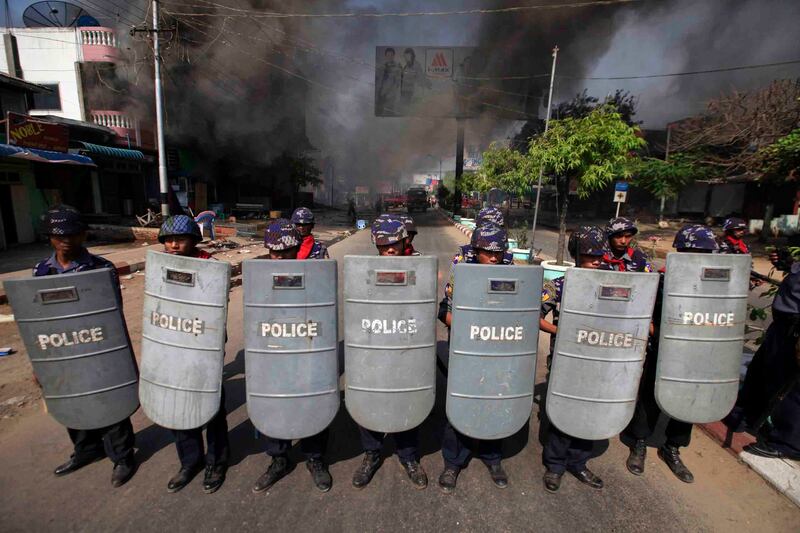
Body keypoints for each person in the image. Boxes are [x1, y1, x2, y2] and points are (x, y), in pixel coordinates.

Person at [34, 205, 136, 488]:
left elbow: (113, 311)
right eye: (59, 234)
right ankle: (86, 449)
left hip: (99, 342)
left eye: (72, 233)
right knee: (72, 399)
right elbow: (38, 319)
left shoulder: (101, 268)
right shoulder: (41, 270)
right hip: (62, 348)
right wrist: (40, 360)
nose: (66, 239)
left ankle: (123, 456)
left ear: (83, 235)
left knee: (111, 399)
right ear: (50, 237)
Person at [622, 224, 717, 484]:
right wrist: (654, 331)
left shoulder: (716, 282)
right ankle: (639, 442)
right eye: (691, 251)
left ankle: (672, 447)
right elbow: (645, 309)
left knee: (688, 399)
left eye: (704, 252)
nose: (698, 256)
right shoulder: (664, 279)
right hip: (664, 347)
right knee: (651, 396)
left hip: (696, 351)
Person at [253, 219, 333, 493]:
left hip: (306, 346)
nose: (278, 258)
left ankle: (315, 458)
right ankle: (278, 458)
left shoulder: (314, 271)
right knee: (275, 402)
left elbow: (325, 309)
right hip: (274, 348)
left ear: (297, 249)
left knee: (310, 400)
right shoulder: (260, 273)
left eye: (285, 253)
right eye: (273, 253)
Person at [351, 217, 428, 489]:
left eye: (394, 244)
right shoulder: (365, 269)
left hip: (407, 346)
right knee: (371, 398)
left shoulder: (420, 265)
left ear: (404, 239)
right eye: (383, 246)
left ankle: (408, 456)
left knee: (406, 400)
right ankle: (372, 453)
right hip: (376, 345)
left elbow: (426, 308)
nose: (389, 251)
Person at [157, 215, 230, 494]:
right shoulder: (159, 266)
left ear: (194, 240)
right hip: (170, 346)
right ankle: (190, 462)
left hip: (203, 346)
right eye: (169, 240)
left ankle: (217, 461)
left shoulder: (210, 266)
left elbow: (216, 307)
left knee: (211, 406)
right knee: (178, 404)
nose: (174, 245)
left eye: (180, 239)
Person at [437, 224, 512, 493]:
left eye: (498, 252)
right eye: (486, 252)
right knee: (461, 403)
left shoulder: (511, 274)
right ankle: (453, 462)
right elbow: (443, 312)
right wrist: (469, 331)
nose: (493, 257)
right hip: (468, 350)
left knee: (495, 401)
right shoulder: (463, 274)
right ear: (475, 250)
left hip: (500, 351)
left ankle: (493, 458)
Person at [539, 226, 610, 493]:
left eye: (599, 255)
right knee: (564, 412)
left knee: (589, 412)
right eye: (590, 255)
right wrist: (562, 332)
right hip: (566, 359)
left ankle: (579, 463)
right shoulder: (559, 284)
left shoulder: (610, 283)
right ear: (577, 254)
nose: (595, 260)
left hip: (599, 359)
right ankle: (555, 465)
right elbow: (535, 316)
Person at [724, 249, 800, 460]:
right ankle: (746, 417)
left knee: (793, 389)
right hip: (784, 326)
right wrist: (790, 264)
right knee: (762, 372)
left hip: (797, 329)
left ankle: (788, 443)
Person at [377, 48, 400, 115]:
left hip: (390, 96)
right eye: (388, 55)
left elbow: (397, 83)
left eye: (391, 55)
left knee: (388, 113)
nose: (389, 57)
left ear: (393, 56)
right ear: (385, 56)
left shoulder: (397, 67)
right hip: (380, 94)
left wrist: (390, 95)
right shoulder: (381, 66)